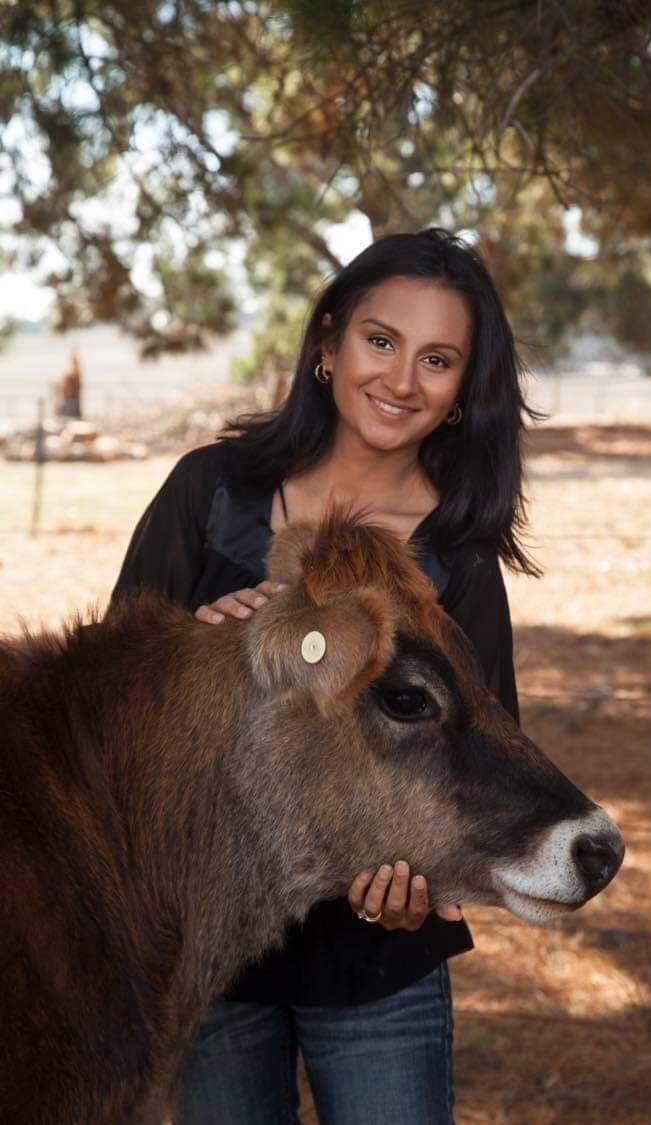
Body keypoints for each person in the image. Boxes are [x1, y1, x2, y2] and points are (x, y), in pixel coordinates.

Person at [112, 227, 538, 1124]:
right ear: (328, 344)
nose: (400, 379)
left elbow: (478, 763)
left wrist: (421, 891)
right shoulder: (209, 490)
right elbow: (109, 714)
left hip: (378, 968)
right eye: (380, 340)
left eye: (438, 359)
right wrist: (191, 652)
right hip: (211, 958)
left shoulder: (456, 562)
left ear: (463, 390)